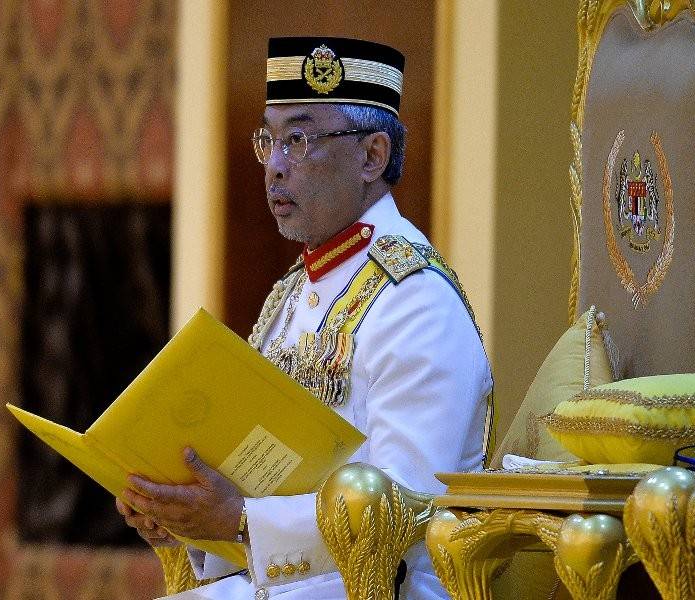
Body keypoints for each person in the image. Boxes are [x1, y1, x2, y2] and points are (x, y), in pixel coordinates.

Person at [116, 37, 493, 600]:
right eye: (269, 140)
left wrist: (239, 520)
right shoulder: (291, 293)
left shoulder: (415, 299)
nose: (274, 166)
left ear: (371, 156)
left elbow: (404, 512)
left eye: (300, 139)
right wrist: (181, 515)